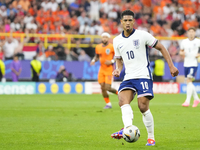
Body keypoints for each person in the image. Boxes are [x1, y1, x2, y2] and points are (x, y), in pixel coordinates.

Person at [111, 10, 179, 146]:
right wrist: (118, 69)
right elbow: (119, 59)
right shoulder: (117, 41)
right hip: (129, 77)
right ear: (121, 22)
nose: (128, 23)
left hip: (143, 75)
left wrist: (171, 66)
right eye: (125, 20)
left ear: (133, 21)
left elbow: (161, 48)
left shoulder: (142, 35)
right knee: (122, 101)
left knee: (142, 106)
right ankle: (127, 129)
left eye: (130, 20)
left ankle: (151, 137)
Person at [90, 32, 118, 109]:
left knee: (108, 88)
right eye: (103, 37)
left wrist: (111, 61)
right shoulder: (98, 47)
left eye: (106, 37)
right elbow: (97, 56)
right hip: (102, 69)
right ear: (101, 38)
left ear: (108, 39)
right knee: (102, 87)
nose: (104, 38)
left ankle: (119, 93)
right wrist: (93, 60)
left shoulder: (112, 47)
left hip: (109, 69)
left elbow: (118, 57)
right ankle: (108, 104)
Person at [179, 27, 200, 107]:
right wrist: (181, 53)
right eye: (190, 32)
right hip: (186, 64)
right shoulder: (184, 42)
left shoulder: (198, 41)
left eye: (192, 32)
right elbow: (181, 51)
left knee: (188, 80)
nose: (191, 33)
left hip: (193, 64)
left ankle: (187, 101)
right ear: (187, 33)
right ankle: (196, 99)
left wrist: (198, 55)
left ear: (195, 33)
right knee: (189, 82)